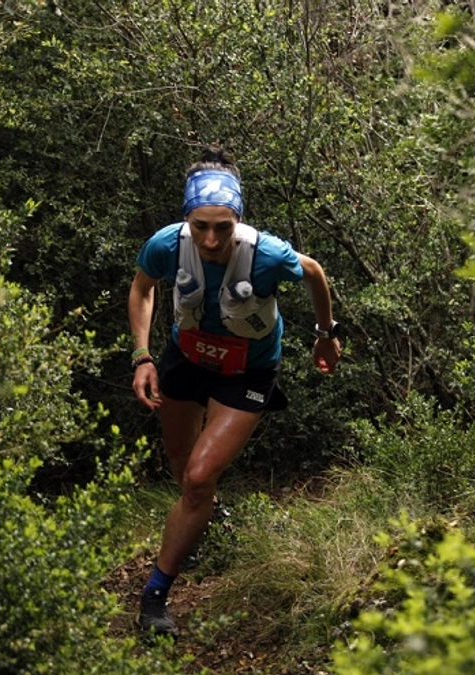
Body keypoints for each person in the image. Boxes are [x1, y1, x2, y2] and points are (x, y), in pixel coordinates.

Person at [127, 146, 344, 636]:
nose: (210, 239)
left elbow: (312, 271)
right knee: (184, 471)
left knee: (200, 478)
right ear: (186, 218)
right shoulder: (166, 245)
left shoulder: (266, 254)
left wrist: (326, 332)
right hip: (185, 357)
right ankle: (208, 524)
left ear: (239, 219)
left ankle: (155, 596)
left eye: (222, 227)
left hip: (247, 368)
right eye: (200, 225)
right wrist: (141, 355)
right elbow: (142, 288)